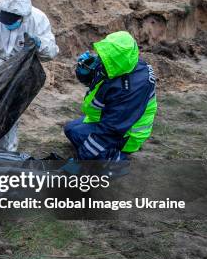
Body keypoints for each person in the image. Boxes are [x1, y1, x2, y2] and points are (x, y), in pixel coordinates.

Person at [0, 0, 59, 152]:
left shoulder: (38, 20)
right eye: (5, 19)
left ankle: (5, 154)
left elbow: (51, 53)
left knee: (8, 115)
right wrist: (2, 70)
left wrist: (40, 44)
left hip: (18, 77)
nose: (7, 24)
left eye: (12, 21)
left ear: (23, 17)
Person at [64, 31, 157, 161]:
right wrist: (83, 71)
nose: (101, 60)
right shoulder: (125, 63)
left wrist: (80, 160)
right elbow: (95, 82)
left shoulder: (131, 88)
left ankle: (116, 161)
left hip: (129, 133)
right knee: (71, 129)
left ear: (116, 58)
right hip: (110, 118)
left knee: (79, 135)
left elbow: (110, 130)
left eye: (106, 57)